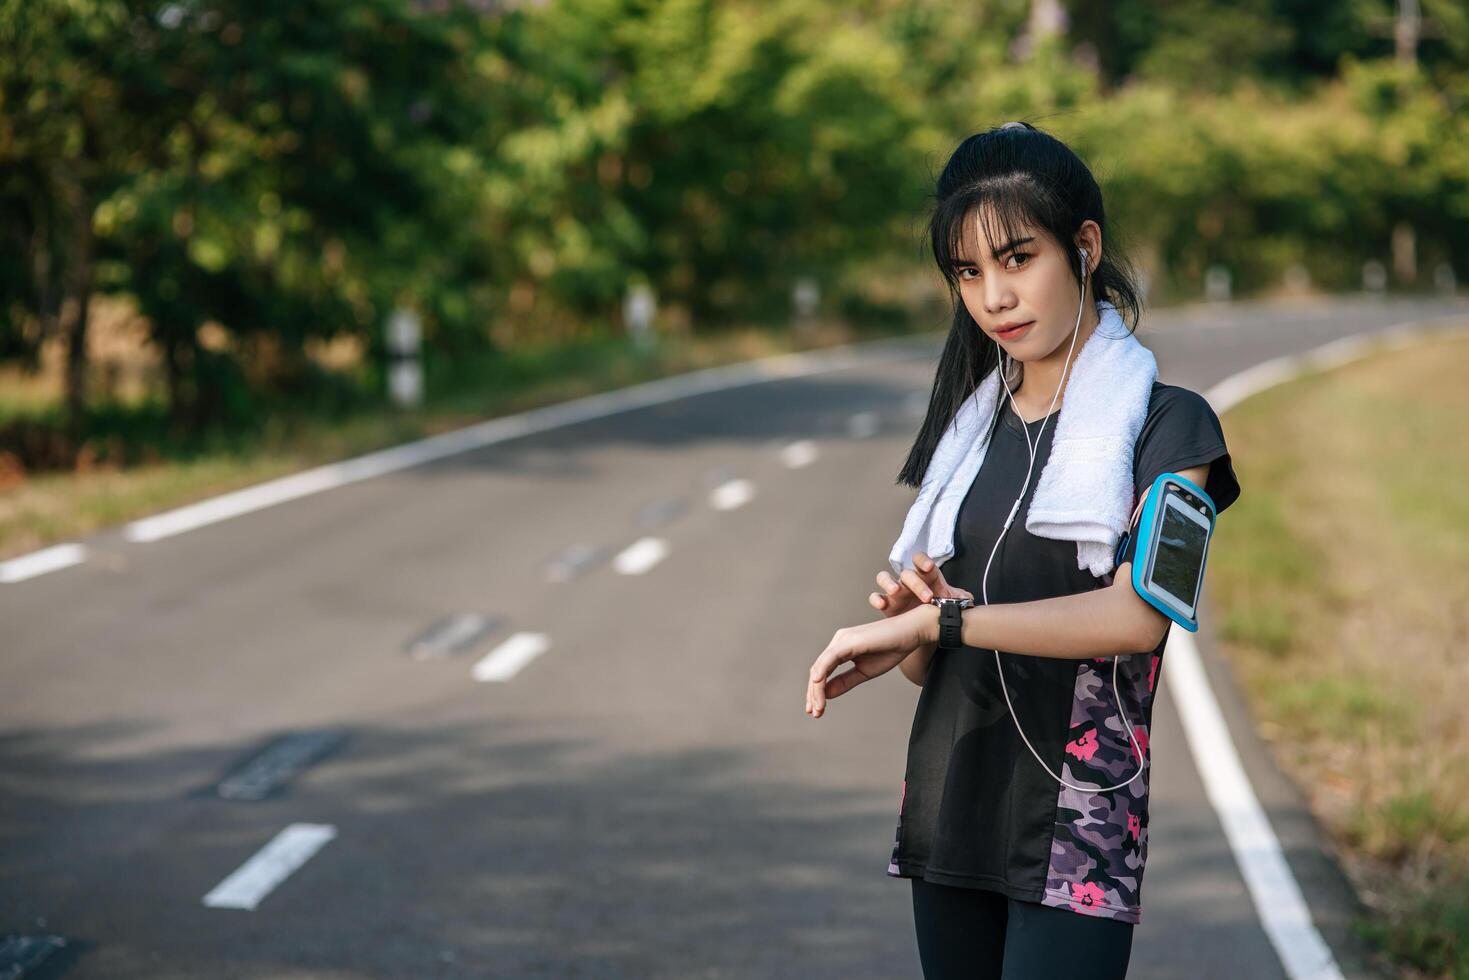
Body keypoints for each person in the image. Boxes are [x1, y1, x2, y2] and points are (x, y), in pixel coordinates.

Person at [803, 121, 1242, 979]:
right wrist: (911, 627)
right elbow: (933, 665)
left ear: (1082, 247)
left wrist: (943, 626)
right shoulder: (967, 440)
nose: (992, 297)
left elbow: (1136, 618)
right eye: (967, 272)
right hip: (952, 809)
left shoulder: (1171, 426)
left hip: (1079, 826)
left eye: (1015, 258)